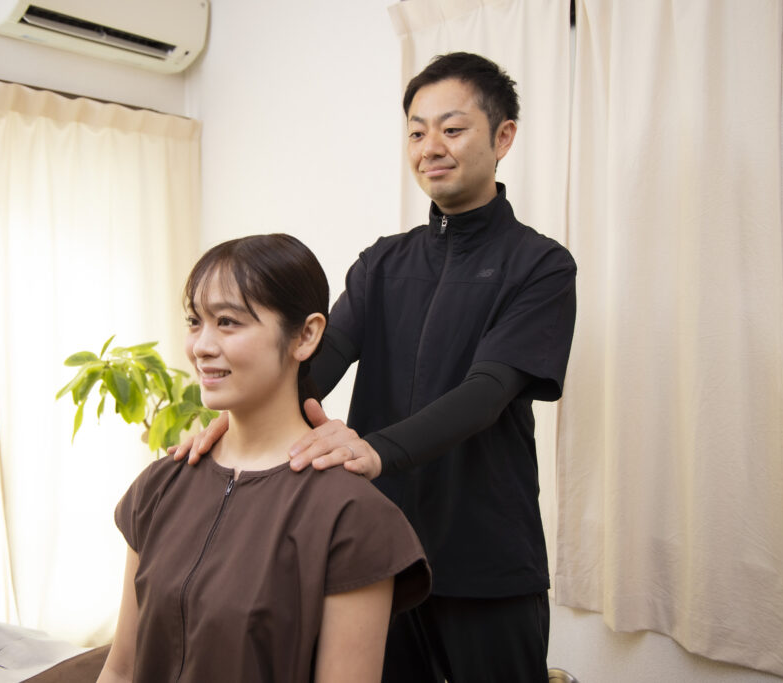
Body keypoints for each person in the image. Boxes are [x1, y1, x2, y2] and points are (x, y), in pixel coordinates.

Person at [174, 53, 576, 682]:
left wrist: (374, 450)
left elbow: (488, 391)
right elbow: (312, 366)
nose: (430, 147)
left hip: (487, 557)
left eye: (452, 128)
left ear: (503, 138)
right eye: (416, 132)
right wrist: (236, 428)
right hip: (377, 554)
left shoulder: (541, 265)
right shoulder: (382, 264)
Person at [97, 234, 431, 683]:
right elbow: (121, 670)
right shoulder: (160, 486)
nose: (201, 346)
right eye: (194, 321)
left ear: (306, 335)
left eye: (228, 322)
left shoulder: (354, 517)